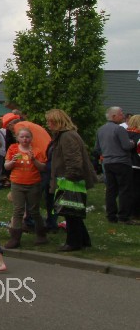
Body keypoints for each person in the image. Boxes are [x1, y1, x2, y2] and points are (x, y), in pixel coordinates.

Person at [47, 108, 98, 252]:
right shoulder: (64, 135)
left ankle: (74, 242)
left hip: (69, 179)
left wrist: (70, 177)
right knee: (73, 212)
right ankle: (83, 240)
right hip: (67, 178)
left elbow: (73, 159)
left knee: (70, 212)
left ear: (57, 122)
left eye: (50, 121)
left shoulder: (67, 136)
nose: (48, 124)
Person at [3, 126, 48, 248]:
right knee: (18, 210)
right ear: (17, 138)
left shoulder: (37, 150)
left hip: (33, 183)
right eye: (22, 137)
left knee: (34, 210)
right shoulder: (13, 149)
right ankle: (15, 238)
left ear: (31, 138)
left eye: (27, 137)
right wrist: (12, 162)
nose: (25, 139)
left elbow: (43, 168)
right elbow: (6, 166)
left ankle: (41, 235)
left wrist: (34, 160)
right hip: (17, 183)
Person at [95, 106, 136, 225]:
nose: (123, 116)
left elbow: (97, 148)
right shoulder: (119, 129)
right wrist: (132, 143)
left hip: (108, 163)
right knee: (124, 189)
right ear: (114, 116)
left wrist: (106, 153)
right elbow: (126, 146)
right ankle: (124, 216)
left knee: (111, 190)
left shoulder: (100, 130)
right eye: (121, 113)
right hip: (122, 162)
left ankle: (111, 215)